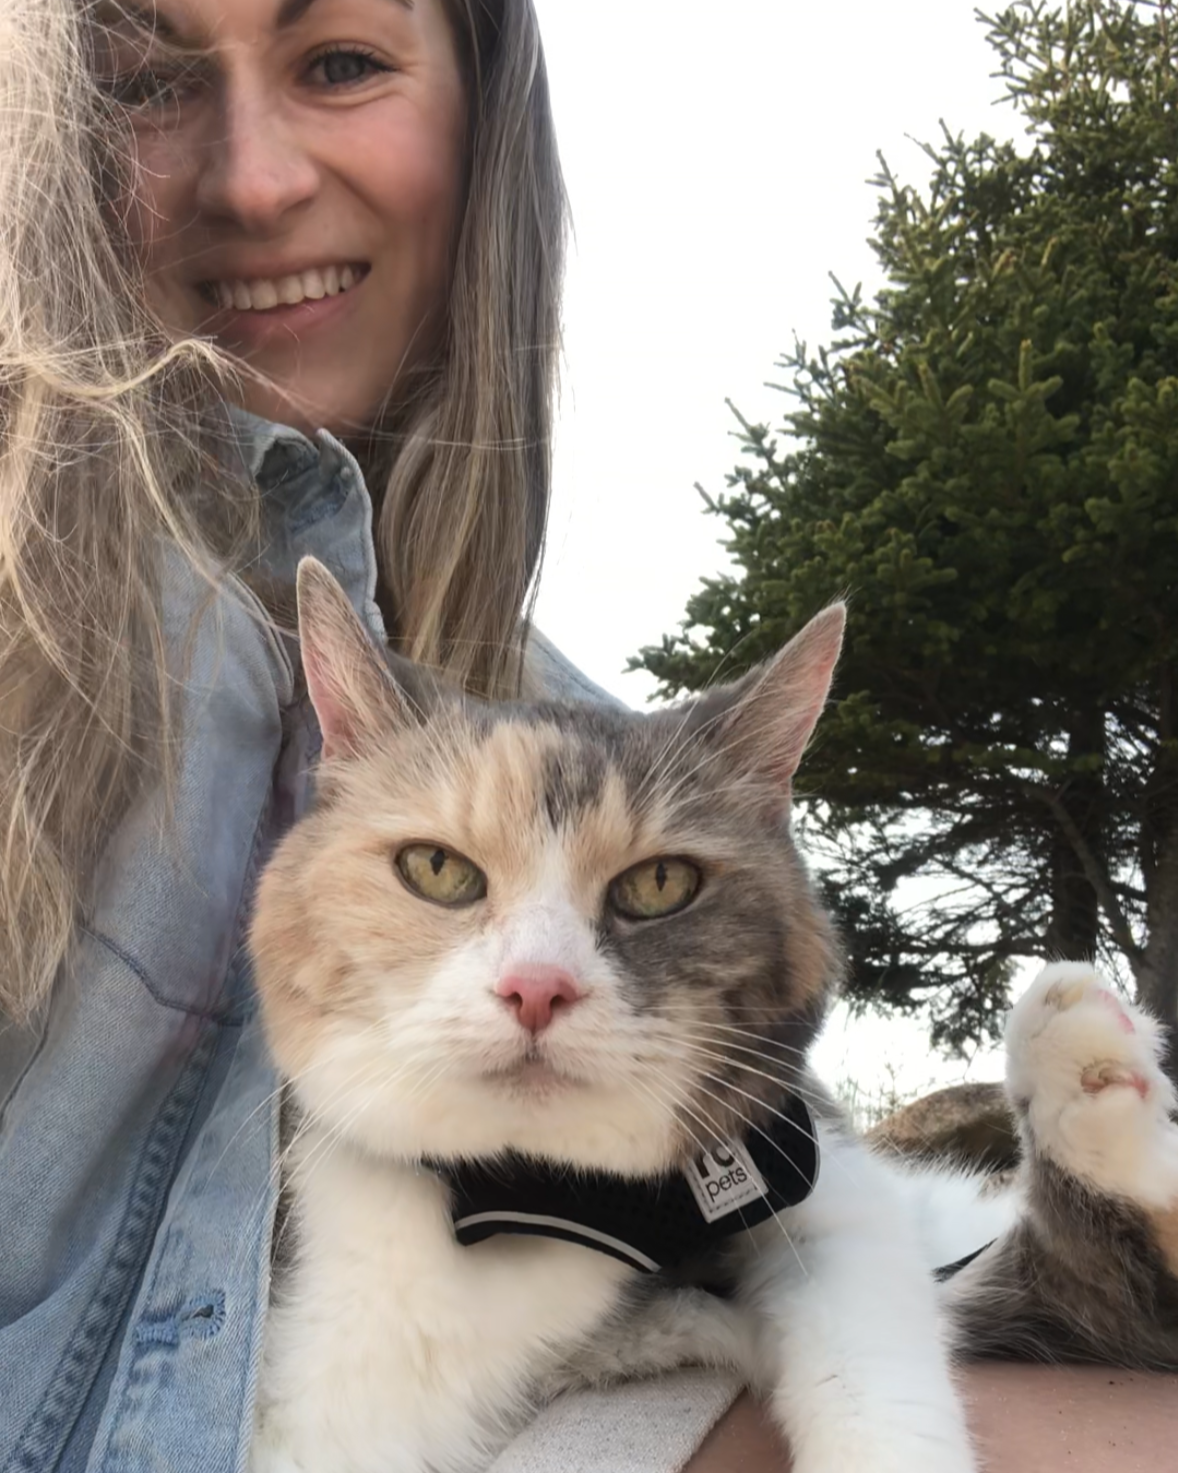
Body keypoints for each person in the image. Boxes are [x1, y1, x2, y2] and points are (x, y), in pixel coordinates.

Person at [0, 1, 740, 1469]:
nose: (256, 181)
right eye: (145, 86)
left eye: (339, 63)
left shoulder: (615, 754)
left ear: (486, 122)